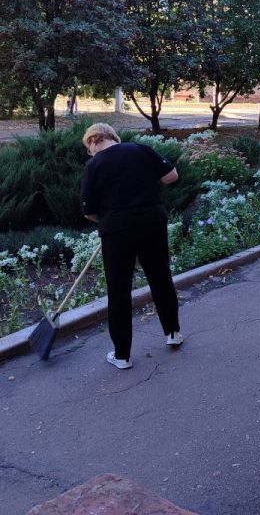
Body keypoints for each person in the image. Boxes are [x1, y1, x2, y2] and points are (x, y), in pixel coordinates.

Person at [80, 123, 184, 370]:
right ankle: (173, 333)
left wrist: (109, 218)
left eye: (89, 148)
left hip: (117, 230)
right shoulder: (140, 149)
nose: (91, 153)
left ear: (94, 140)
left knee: (119, 290)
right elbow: (171, 176)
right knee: (160, 277)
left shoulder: (94, 165)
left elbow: (88, 212)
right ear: (113, 137)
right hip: (152, 222)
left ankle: (122, 355)